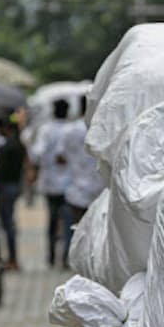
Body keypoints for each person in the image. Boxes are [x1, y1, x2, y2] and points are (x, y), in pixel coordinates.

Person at [29, 98, 72, 268]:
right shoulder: (71, 130)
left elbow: (36, 153)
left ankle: (51, 255)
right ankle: (65, 257)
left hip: (50, 184)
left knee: (52, 221)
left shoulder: (46, 130)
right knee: (68, 222)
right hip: (70, 185)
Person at [64, 96, 103, 237]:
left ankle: (66, 258)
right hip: (98, 188)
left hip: (76, 186)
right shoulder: (101, 127)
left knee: (75, 230)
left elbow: (63, 156)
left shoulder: (71, 130)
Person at [0, 115, 27, 271]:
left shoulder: (8, 147)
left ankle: (12, 258)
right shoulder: (19, 144)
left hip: (5, 188)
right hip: (14, 187)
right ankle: (12, 258)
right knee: (9, 224)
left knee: (7, 224)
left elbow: (1, 170)